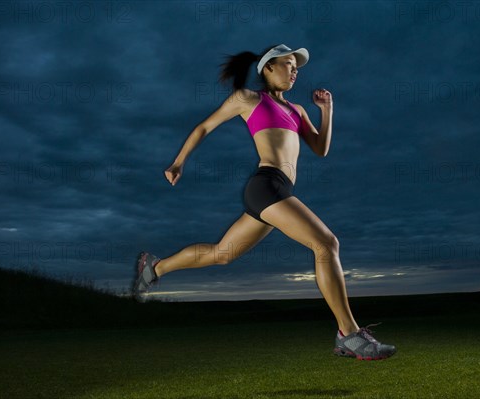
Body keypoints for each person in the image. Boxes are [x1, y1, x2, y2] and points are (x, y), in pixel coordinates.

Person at [133, 44, 396, 360]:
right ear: (268, 67)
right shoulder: (248, 98)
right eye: (288, 64)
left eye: (297, 67)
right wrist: (178, 162)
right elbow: (205, 125)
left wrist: (327, 110)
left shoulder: (297, 111)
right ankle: (348, 333)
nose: (294, 70)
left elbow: (320, 148)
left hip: (278, 189)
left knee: (222, 254)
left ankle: (155, 267)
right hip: (266, 186)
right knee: (326, 244)